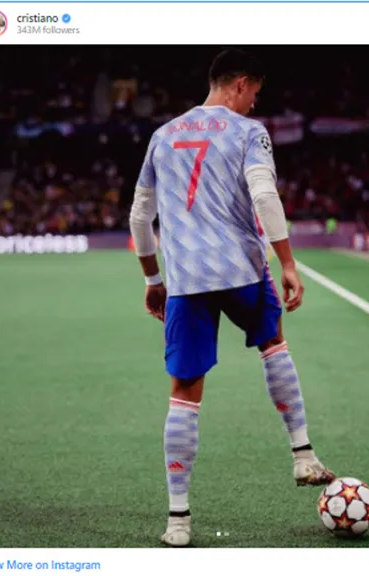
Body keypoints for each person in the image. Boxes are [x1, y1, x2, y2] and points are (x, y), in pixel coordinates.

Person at [129, 49, 334, 547]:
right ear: (240, 83)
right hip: (240, 268)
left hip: (186, 278)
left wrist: (153, 279)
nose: (254, 104)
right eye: (254, 94)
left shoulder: (163, 135)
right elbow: (264, 195)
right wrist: (287, 262)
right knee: (273, 342)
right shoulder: (248, 132)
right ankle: (303, 455)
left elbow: (139, 216)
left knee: (184, 391)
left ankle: (178, 521)